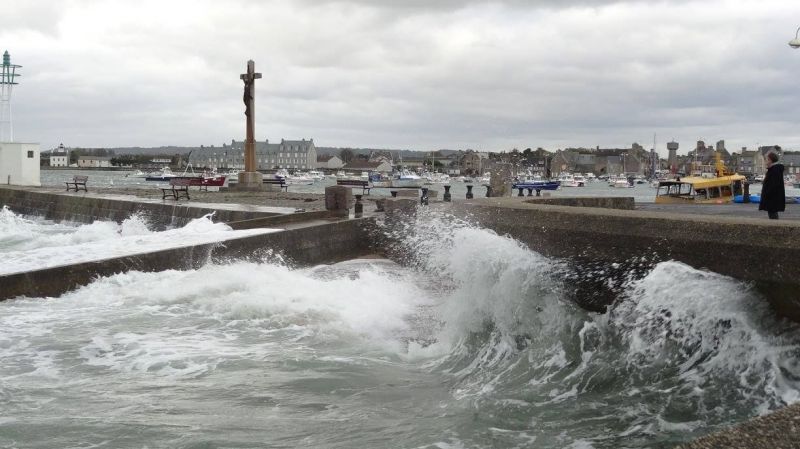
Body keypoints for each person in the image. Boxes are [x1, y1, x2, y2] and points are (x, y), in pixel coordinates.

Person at [759, 152, 785, 219]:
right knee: (772, 215)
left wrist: (766, 194)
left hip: (772, 199)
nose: (765, 161)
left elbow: (773, 185)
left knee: (773, 216)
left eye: (766, 159)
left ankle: (776, 228)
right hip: (772, 198)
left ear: (770, 160)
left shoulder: (774, 171)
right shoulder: (773, 170)